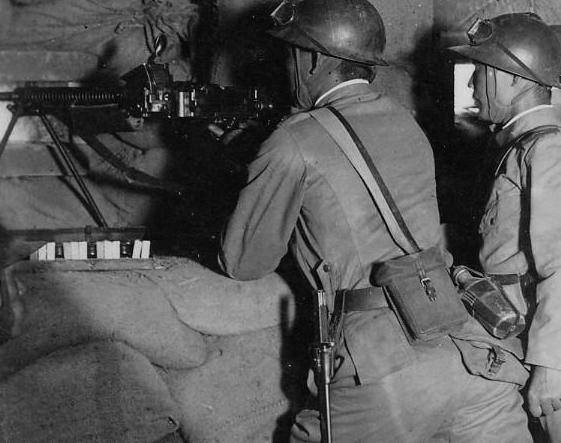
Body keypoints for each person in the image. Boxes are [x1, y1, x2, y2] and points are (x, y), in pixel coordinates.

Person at [219, 1, 532, 441]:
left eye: (289, 54)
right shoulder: (405, 122)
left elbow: (244, 262)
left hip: (386, 371)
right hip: (474, 354)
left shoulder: (292, 139)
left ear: (310, 59)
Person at [448, 12, 561, 441]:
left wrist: (551, 366)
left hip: (544, 347)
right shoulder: (522, 147)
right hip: (521, 331)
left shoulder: (547, 149)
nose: (473, 85)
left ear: (512, 78)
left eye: (478, 72)